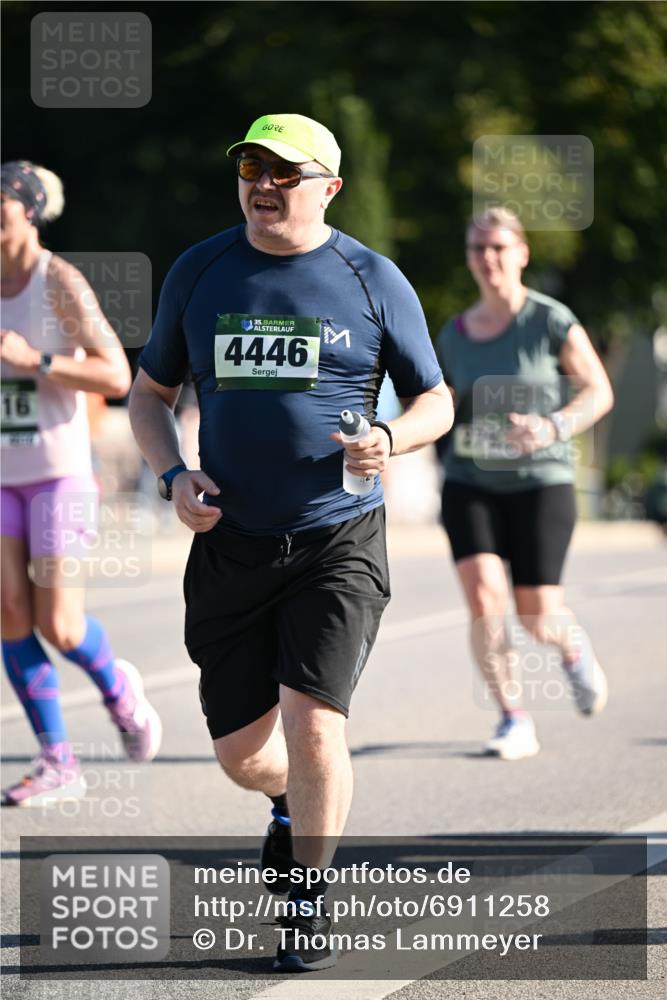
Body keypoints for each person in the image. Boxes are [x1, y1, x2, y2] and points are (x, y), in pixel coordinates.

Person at [129, 113, 453, 971]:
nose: (262, 183)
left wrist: (391, 438)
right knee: (245, 758)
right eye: (249, 166)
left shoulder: (371, 277)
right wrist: (173, 476)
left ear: (328, 188)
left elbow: (436, 401)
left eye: (283, 171)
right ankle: (285, 805)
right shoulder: (200, 270)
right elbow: (148, 393)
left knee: (315, 728)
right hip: (230, 544)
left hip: (334, 537)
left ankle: (307, 901)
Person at [1, 160, 162, 807]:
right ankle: (57, 761)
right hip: (1, 477)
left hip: (58, 474)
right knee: (10, 615)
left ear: (29, 211)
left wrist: (34, 360)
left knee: (61, 625)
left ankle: (119, 691)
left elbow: (116, 374)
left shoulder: (57, 281)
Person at [435, 206, 614, 761]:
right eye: (477, 249)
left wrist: (552, 425)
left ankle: (571, 645)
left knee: (537, 616)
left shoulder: (551, 320)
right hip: (471, 482)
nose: (488, 258)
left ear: (522, 253)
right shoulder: (455, 334)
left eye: (498, 247)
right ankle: (514, 717)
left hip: (542, 482)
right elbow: (440, 406)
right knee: (485, 598)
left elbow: (598, 391)